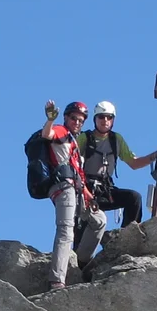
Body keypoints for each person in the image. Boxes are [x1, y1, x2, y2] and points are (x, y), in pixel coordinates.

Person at [38, 100, 104, 290]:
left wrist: (89, 196)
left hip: (77, 190)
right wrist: (50, 119)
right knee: (66, 230)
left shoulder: (73, 141)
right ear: (66, 117)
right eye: (74, 118)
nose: (77, 122)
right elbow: (47, 134)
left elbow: (78, 173)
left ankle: (79, 262)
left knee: (99, 220)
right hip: (63, 188)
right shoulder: (61, 131)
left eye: (81, 120)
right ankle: (57, 280)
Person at [75, 100, 157, 228]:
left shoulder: (116, 140)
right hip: (86, 189)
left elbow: (134, 163)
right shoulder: (84, 138)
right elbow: (71, 160)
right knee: (82, 229)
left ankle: (128, 236)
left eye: (109, 117)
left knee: (133, 198)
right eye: (101, 117)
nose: (105, 120)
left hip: (106, 190)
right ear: (95, 119)